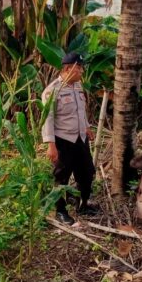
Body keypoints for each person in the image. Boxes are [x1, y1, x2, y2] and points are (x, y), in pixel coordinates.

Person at [42, 52, 97, 225]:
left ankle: (83, 204)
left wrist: (87, 127)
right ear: (68, 68)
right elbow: (47, 118)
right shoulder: (52, 91)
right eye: (79, 68)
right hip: (63, 140)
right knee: (61, 177)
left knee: (87, 173)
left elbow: (80, 110)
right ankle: (60, 211)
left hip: (80, 138)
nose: (82, 71)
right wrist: (51, 145)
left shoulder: (78, 87)